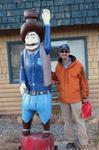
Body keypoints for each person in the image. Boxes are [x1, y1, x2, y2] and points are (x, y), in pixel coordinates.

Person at [20, 9, 52, 138]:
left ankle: (46, 132)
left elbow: (48, 42)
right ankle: (26, 130)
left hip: (43, 95)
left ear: (39, 37)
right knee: (25, 126)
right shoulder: (24, 53)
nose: (30, 39)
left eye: (33, 36)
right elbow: (22, 68)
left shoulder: (44, 50)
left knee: (45, 122)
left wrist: (47, 24)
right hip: (28, 96)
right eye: (28, 36)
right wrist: (22, 82)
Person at [52, 44, 89, 149]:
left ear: (69, 53)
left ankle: (84, 143)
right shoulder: (58, 66)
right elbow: (55, 77)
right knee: (67, 122)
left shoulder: (78, 65)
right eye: (62, 51)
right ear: (59, 53)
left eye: (66, 51)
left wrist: (85, 96)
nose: (64, 53)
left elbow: (83, 82)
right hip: (63, 99)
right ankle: (70, 141)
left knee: (79, 121)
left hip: (76, 98)